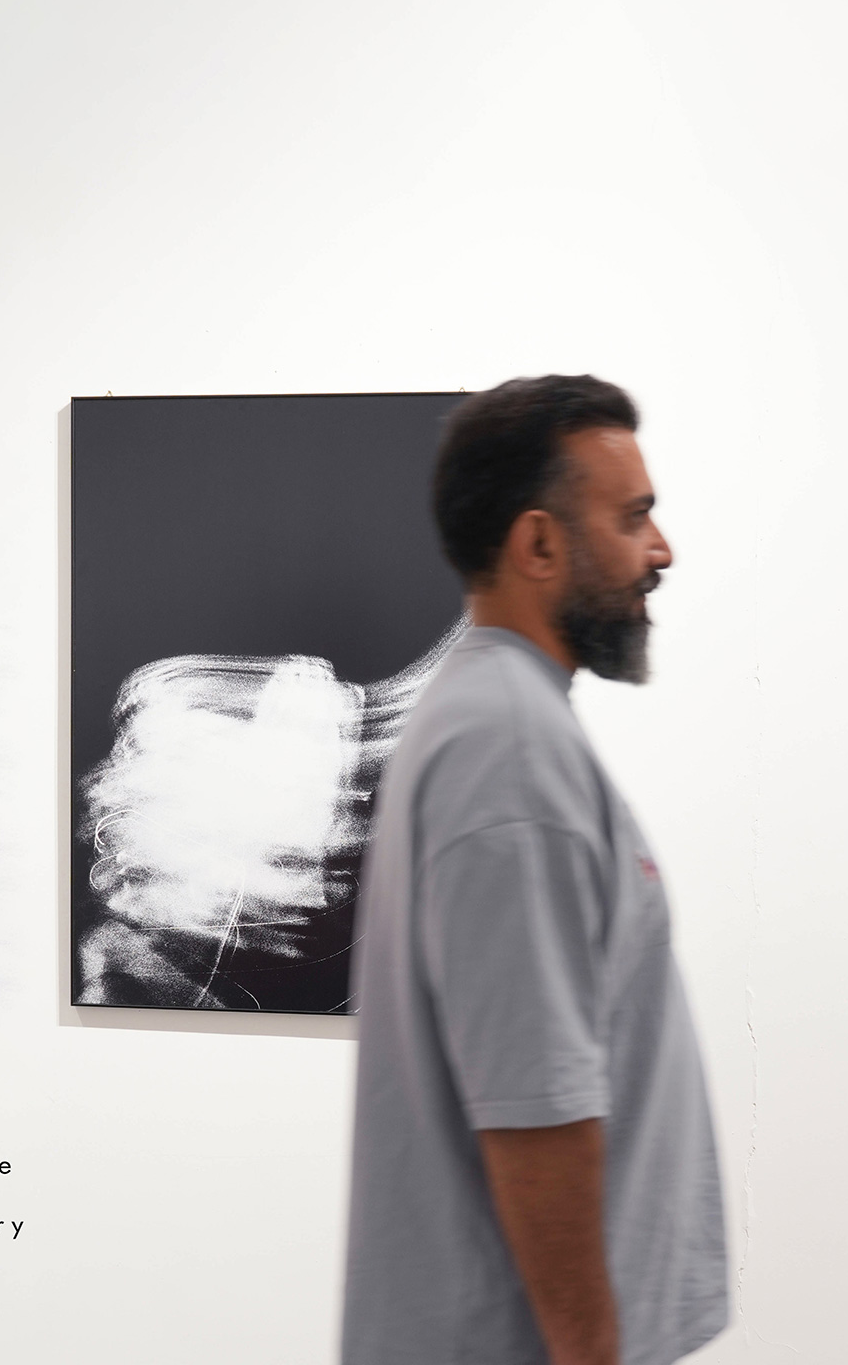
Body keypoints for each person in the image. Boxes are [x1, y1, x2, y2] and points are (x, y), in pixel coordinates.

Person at [341, 375, 728, 1365]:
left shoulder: (491, 718)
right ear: (539, 545)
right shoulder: (508, 750)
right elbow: (534, 1113)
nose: (660, 550)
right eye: (632, 517)